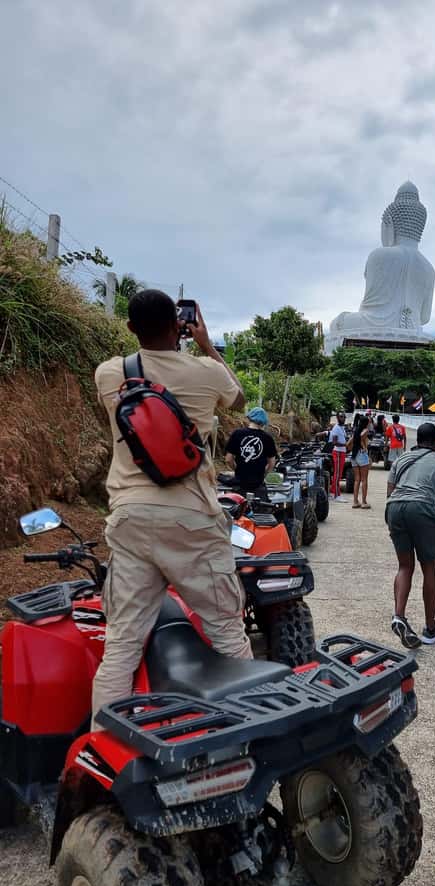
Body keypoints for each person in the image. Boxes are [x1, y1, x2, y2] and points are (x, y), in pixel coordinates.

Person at [92, 291, 249, 727]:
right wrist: (206, 345)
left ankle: (103, 749)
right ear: (179, 326)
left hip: (130, 518)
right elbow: (238, 399)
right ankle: (252, 739)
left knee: (121, 646)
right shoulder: (206, 373)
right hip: (192, 519)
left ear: (130, 328)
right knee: (228, 634)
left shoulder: (109, 373)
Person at [386, 422, 435, 649]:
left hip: (394, 508)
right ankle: (431, 628)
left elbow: (390, 493)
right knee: (429, 566)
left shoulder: (401, 459)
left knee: (404, 566)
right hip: (421, 508)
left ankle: (399, 616)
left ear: (417, 440)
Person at [224, 407, 277, 496]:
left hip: (240, 484)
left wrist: (237, 471)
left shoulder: (237, 434)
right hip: (258, 484)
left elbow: (228, 459)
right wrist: (262, 475)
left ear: (249, 418)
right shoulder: (268, 438)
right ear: (264, 422)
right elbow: (271, 463)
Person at [348, 415, 371, 509]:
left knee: (357, 479)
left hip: (354, 455)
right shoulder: (365, 430)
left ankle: (355, 501)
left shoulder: (356, 430)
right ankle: (364, 502)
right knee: (364, 479)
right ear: (366, 423)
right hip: (361, 454)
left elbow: (348, 443)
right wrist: (364, 446)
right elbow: (362, 436)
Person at [329, 411, 348, 501]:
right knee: (337, 474)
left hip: (342, 452)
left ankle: (333, 492)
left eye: (344, 417)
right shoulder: (336, 428)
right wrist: (345, 445)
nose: (343, 418)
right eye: (341, 416)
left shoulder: (342, 428)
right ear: (337, 418)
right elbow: (334, 442)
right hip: (338, 452)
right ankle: (336, 495)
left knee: (339, 474)